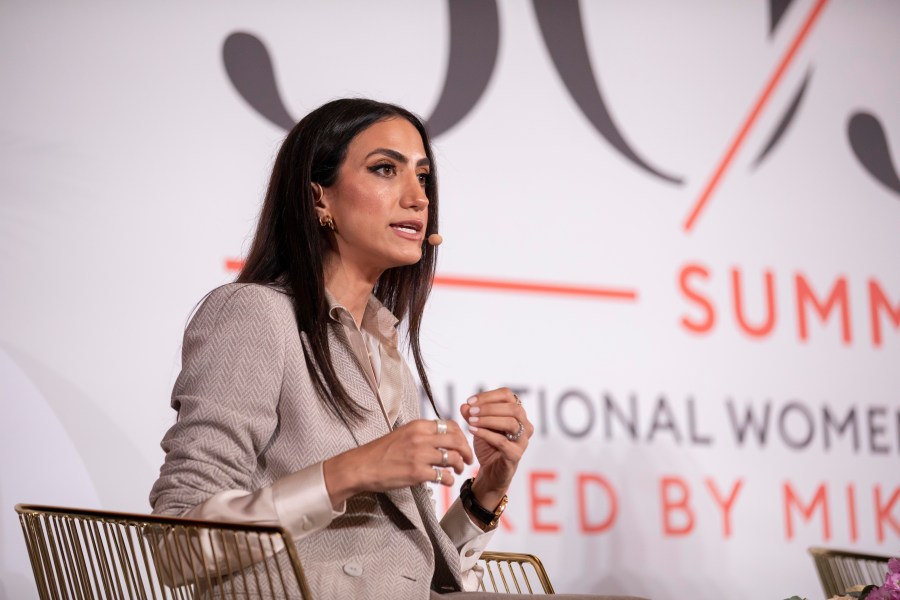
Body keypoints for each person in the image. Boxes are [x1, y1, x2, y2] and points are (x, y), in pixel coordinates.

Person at [150, 99, 644, 600]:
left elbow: (405, 571)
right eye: (385, 169)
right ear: (319, 198)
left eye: (423, 177)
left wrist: (486, 492)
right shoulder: (255, 314)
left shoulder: (384, 352)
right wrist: (352, 470)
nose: (418, 198)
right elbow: (176, 546)